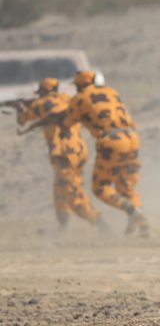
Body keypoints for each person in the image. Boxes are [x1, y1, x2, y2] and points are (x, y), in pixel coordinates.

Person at [63, 70, 148, 236]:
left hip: (112, 141)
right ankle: (143, 224)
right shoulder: (112, 92)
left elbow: (67, 123)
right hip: (132, 137)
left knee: (100, 187)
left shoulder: (79, 99)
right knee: (126, 186)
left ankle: (132, 211)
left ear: (81, 85)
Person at [15, 78, 102, 229]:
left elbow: (22, 120)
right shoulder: (68, 99)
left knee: (72, 193)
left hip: (63, 153)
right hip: (79, 150)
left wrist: (19, 108)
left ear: (42, 91)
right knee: (60, 189)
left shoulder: (40, 104)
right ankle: (63, 227)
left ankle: (100, 224)